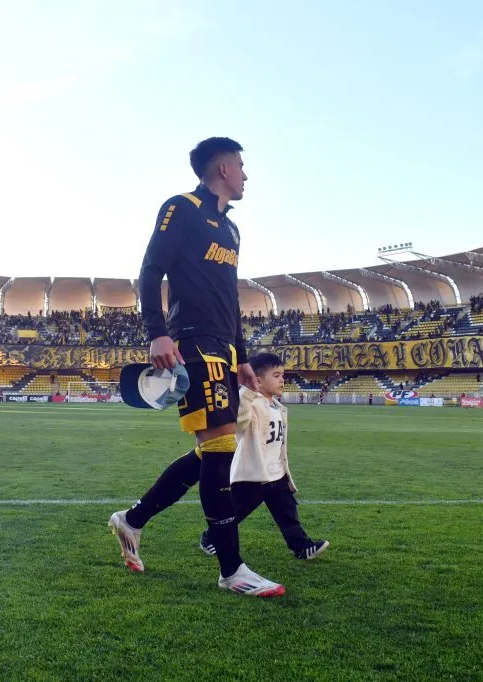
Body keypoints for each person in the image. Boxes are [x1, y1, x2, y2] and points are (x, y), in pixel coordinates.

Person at [108, 137, 285, 597]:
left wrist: (242, 356)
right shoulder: (181, 208)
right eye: (242, 166)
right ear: (223, 168)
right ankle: (231, 568)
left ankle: (133, 519)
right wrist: (157, 331)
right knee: (220, 446)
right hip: (192, 343)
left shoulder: (232, 231)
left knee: (212, 452)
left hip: (224, 349)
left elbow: (230, 298)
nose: (246, 175)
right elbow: (151, 269)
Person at [198, 353, 329, 561]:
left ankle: (302, 547)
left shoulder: (276, 406)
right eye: (276, 375)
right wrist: (248, 393)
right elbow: (238, 424)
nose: (282, 380)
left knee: (287, 513)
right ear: (258, 380)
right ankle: (209, 538)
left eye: (283, 375)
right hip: (252, 475)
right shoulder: (251, 402)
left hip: (276, 473)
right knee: (234, 512)